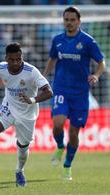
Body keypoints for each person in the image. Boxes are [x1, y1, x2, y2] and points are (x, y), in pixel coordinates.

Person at [0, 42, 53, 187]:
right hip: (8, 107)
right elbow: (2, 77)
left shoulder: (31, 72)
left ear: (21, 57)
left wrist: (33, 99)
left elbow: (49, 92)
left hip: (27, 114)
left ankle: (19, 170)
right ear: (6, 59)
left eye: (18, 59)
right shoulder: (1, 67)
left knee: (23, 147)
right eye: (12, 60)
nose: (16, 62)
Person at [43, 6, 105, 181]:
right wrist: (43, 78)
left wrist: (96, 75)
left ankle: (67, 166)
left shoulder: (87, 41)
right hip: (61, 88)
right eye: (66, 20)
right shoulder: (57, 40)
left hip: (80, 93)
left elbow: (101, 62)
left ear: (79, 21)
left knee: (74, 134)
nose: (69, 23)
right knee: (58, 123)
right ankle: (59, 146)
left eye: (72, 20)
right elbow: (52, 59)